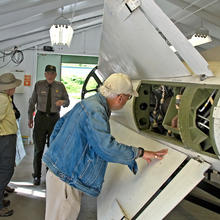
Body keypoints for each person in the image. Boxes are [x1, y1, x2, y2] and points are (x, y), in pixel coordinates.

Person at [42, 73, 168, 220]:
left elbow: (59, 126)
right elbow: (106, 148)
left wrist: (59, 155)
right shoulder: (96, 111)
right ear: (120, 97)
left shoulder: (89, 103)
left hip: (60, 171)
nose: (127, 101)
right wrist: (140, 153)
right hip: (65, 179)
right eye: (129, 98)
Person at [28, 65, 69, 185]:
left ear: (55, 75)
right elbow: (32, 102)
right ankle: (36, 175)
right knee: (38, 149)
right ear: (45, 74)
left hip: (54, 120)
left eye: (52, 73)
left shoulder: (60, 86)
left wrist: (63, 102)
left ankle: (50, 173)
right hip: (40, 119)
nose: (50, 75)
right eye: (48, 73)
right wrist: (30, 118)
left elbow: (68, 101)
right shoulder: (39, 85)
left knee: (53, 149)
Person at [0, 73, 22, 217]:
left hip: (7, 137)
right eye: (13, 86)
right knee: (6, 170)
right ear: (8, 88)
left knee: (4, 169)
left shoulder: (6, 98)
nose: (15, 88)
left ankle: (0, 199)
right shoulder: (2, 100)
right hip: (5, 138)